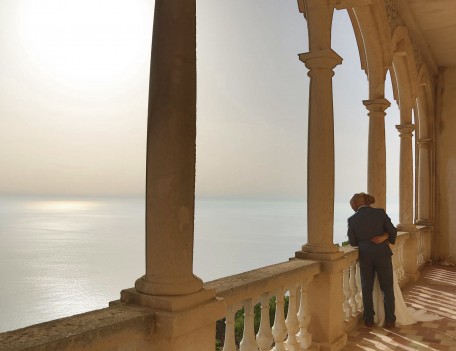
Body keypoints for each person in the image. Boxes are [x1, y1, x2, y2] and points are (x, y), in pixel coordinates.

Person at [347, 192, 397, 328]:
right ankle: (390, 320)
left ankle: (369, 319)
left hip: (365, 255)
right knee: (387, 287)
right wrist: (384, 237)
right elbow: (393, 231)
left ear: (354, 204)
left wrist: (364, 240)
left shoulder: (352, 220)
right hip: (382, 253)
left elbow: (352, 242)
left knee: (366, 287)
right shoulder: (380, 213)